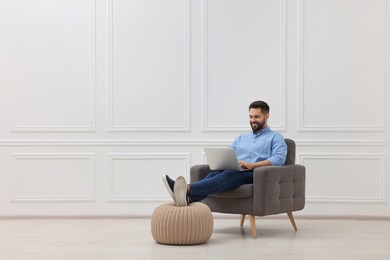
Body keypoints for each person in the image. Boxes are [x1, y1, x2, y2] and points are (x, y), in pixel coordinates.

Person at [162, 100, 287, 206]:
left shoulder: (275, 137)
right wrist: (222, 161)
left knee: (229, 174)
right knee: (214, 174)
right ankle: (188, 199)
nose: (253, 120)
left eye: (257, 117)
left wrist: (251, 165)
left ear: (267, 116)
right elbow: (228, 153)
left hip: (256, 173)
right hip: (237, 170)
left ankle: (186, 188)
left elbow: (278, 160)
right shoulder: (241, 138)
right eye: (250, 117)